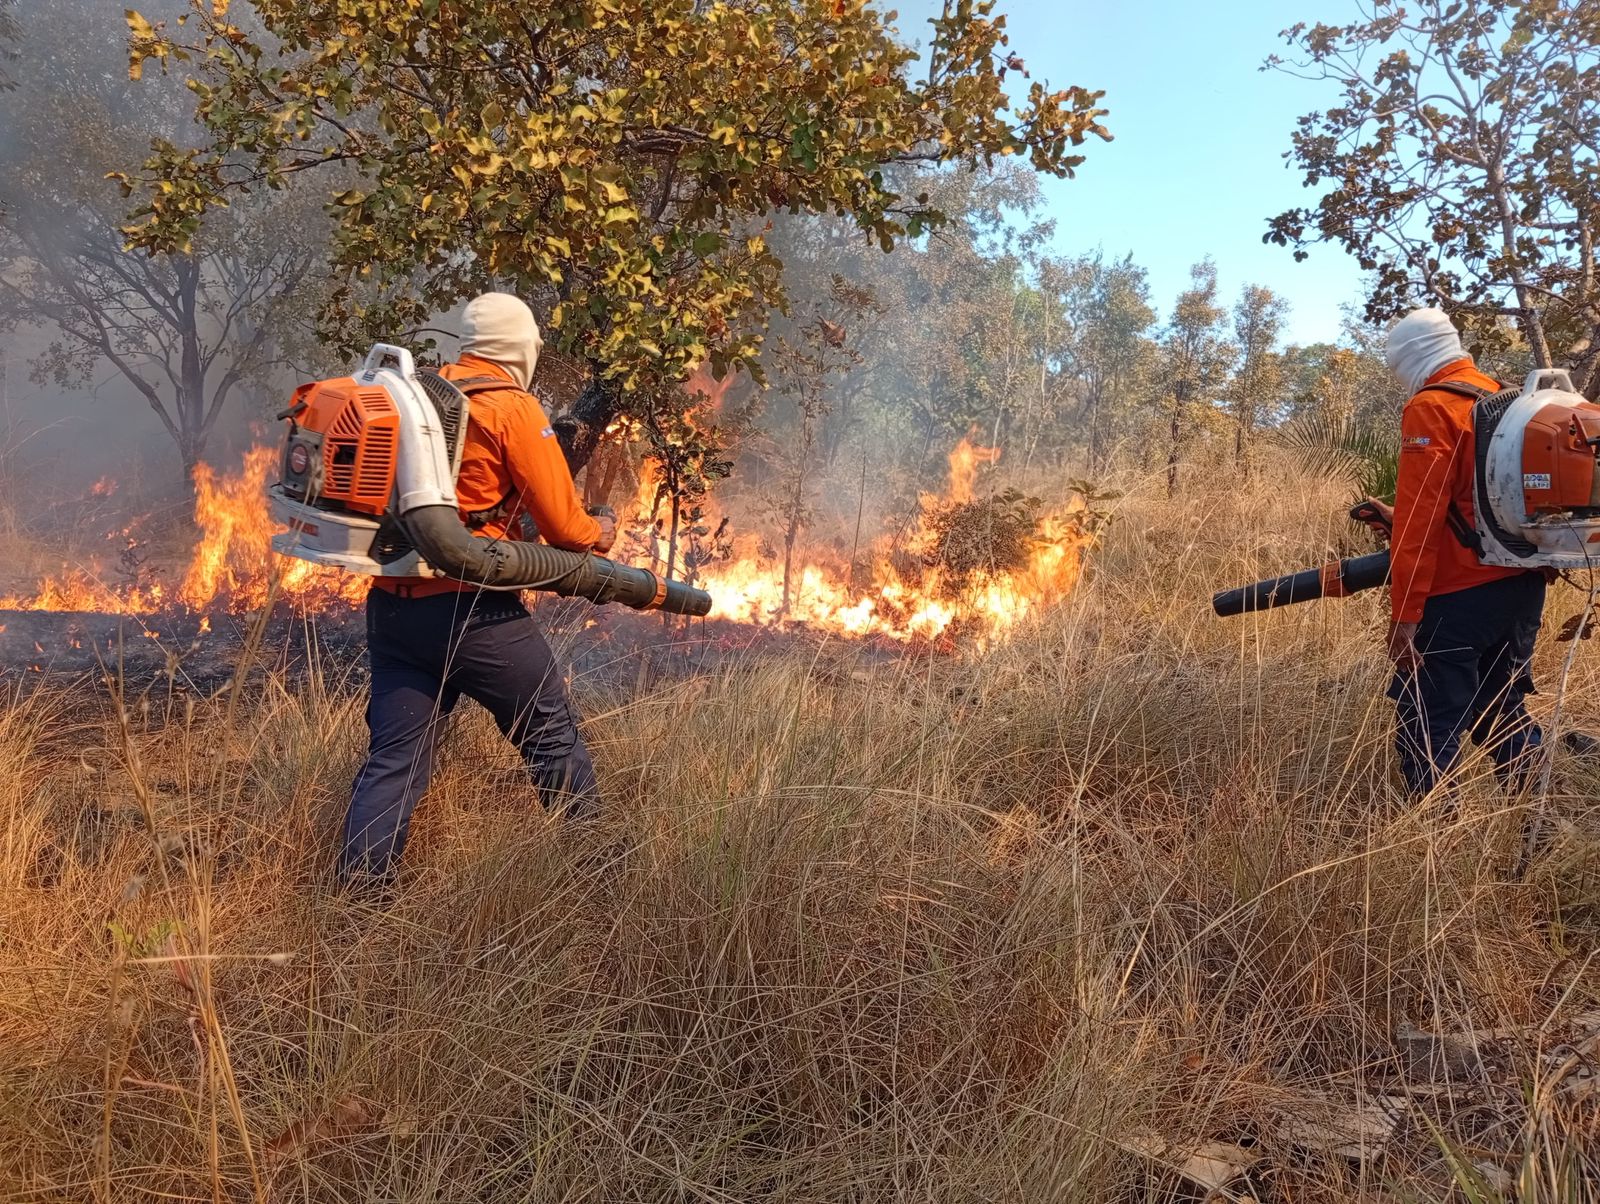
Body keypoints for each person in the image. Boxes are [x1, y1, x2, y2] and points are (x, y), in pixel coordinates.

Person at [337, 292, 617, 890]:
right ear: (521, 347)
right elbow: (566, 528)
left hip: (393, 607)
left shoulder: (413, 396)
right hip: (474, 613)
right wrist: (603, 531)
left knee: (393, 762)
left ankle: (354, 906)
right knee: (552, 737)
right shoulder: (512, 408)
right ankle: (604, 883)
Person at [1372, 307, 1545, 798]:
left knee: (1426, 718)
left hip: (1458, 597)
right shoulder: (1505, 399)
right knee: (1501, 709)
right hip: (1521, 585)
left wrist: (1405, 616)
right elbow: (1476, 502)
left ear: (1411, 357)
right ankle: (1538, 820)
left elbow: (1423, 519)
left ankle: (1433, 842)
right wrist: (1394, 516)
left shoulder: (1432, 406)